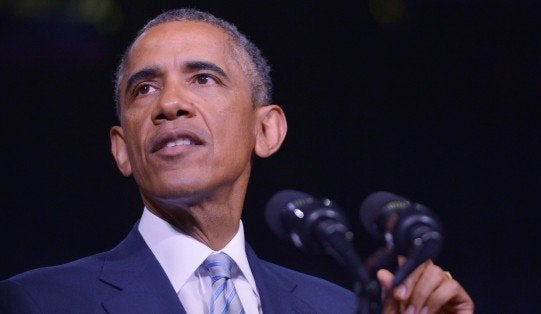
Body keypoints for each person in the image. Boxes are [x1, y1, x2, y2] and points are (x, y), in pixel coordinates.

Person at [0, 8, 473, 314]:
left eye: (203, 79)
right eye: (144, 88)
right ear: (122, 149)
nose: (170, 104)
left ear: (266, 130)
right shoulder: (40, 302)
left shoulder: (341, 307)